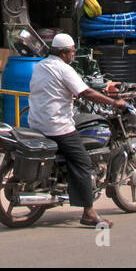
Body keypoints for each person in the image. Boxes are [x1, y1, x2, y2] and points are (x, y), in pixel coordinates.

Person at [27, 32, 127, 229]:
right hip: (56, 126)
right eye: (72, 52)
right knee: (82, 162)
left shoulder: (40, 66)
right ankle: (89, 213)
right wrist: (114, 102)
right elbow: (86, 92)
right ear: (64, 53)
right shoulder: (64, 70)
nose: (73, 55)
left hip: (36, 123)